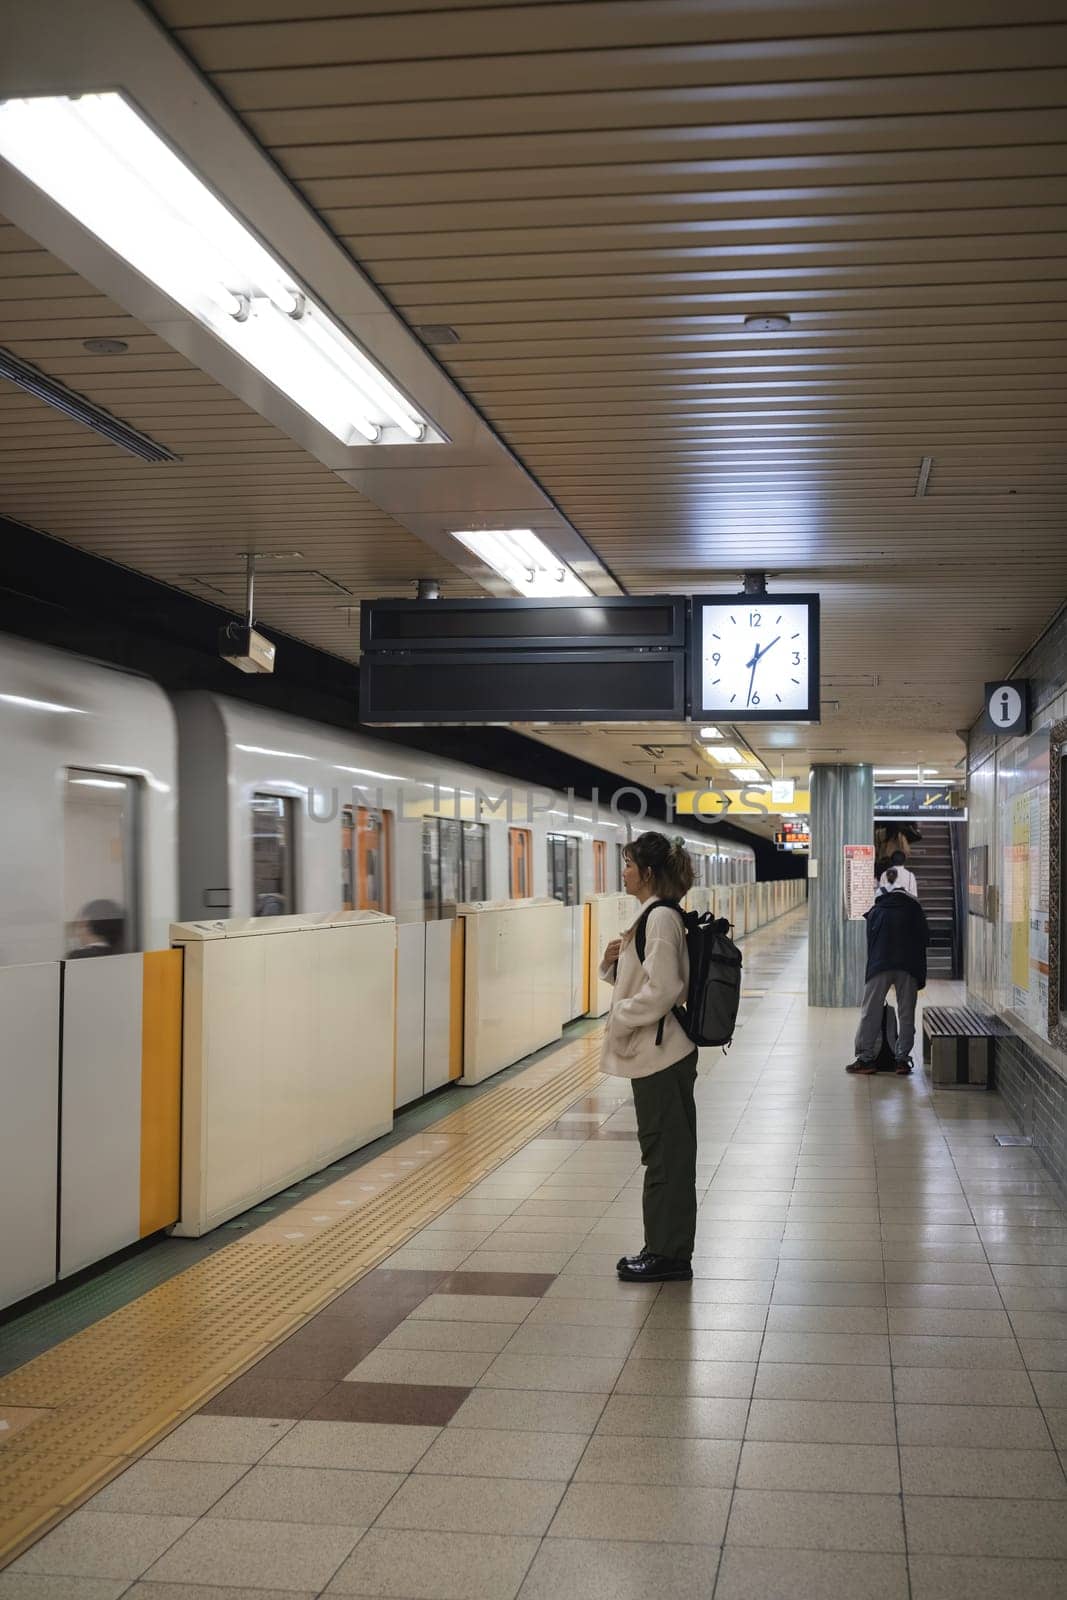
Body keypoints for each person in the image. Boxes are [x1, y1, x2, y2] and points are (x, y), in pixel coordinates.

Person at [599, 831, 698, 1283]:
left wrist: (620, 1016)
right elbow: (645, 978)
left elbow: (664, 988)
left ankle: (668, 1253)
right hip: (659, 1053)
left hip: (661, 1055)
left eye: (629, 863)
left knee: (665, 1155)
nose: (623, 871)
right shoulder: (655, 917)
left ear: (649, 873)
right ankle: (662, 1244)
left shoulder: (659, 919)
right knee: (665, 1152)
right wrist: (610, 967)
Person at [846, 867, 930, 1076]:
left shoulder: (877, 910)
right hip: (908, 967)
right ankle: (901, 1060)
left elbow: (871, 942)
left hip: (880, 965)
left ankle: (866, 1059)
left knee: (870, 1011)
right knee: (906, 1013)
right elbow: (925, 940)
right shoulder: (915, 911)